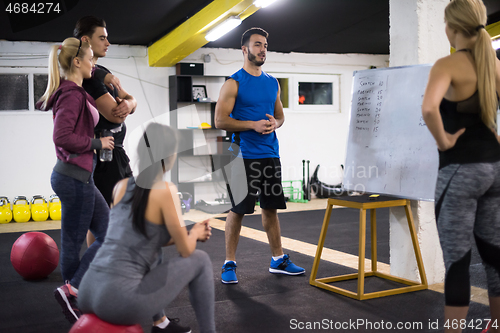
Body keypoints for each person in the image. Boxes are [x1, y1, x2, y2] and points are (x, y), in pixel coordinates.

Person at [77, 123, 216, 333]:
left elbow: (139, 237)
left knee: (152, 250)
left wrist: (188, 234)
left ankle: (161, 323)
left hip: (87, 292)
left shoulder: (120, 187)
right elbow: (185, 251)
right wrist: (195, 233)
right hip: (117, 302)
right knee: (201, 260)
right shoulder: (165, 190)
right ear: (169, 156)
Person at [421, 1, 500, 332]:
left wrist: (444, 141)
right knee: (494, 253)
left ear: (452, 27)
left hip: (460, 171)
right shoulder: (494, 64)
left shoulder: (448, 63)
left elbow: (429, 109)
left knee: (457, 260)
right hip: (494, 169)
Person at [214, 27, 305, 284]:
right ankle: (228, 263)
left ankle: (278, 259)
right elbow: (220, 120)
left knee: (271, 208)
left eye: (265, 44)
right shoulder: (234, 82)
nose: (262, 49)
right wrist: (252, 125)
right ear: (244, 50)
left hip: (270, 153)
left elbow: (280, 116)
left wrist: (275, 124)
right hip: (242, 155)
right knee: (238, 210)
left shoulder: (272, 82)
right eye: (257, 44)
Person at [36, 37, 113, 324]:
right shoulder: (70, 94)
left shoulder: (76, 92)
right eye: (92, 59)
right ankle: (71, 291)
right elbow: (62, 137)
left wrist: (116, 89)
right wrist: (96, 143)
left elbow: (102, 114)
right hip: (74, 177)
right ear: (77, 62)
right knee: (76, 241)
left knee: (105, 234)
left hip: (79, 177)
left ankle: (72, 293)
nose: (94, 64)